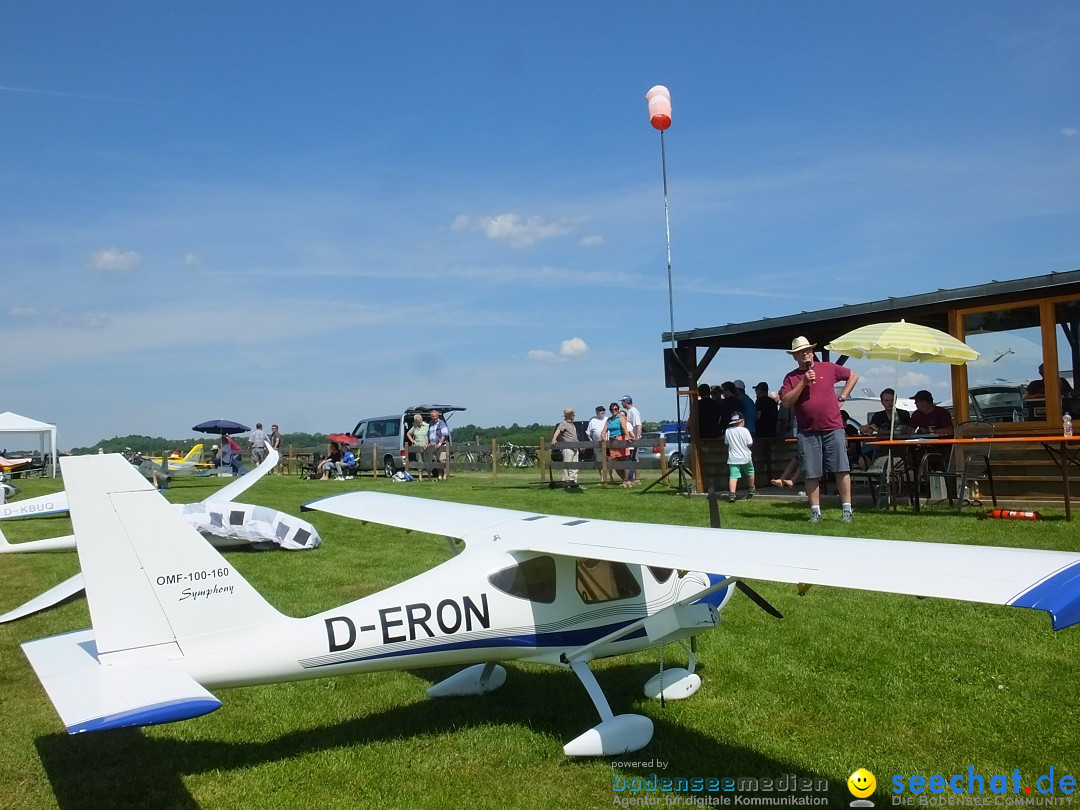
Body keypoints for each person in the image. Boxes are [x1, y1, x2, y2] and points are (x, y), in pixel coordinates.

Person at [779, 335, 859, 524]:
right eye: (800, 352)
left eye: (807, 351)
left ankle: (847, 510)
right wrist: (803, 382)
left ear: (812, 352)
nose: (805, 354)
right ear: (795, 357)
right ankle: (816, 512)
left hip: (833, 427)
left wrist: (843, 397)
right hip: (807, 430)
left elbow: (853, 375)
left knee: (841, 468)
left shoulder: (828, 367)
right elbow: (787, 402)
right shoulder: (791, 377)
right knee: (811, 472)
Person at [724, 412, 755, 502]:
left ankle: (732, 494)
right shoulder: (745, 430)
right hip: (745, 456)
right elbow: (750, 443)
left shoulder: (728, 431)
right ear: (742, 421)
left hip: (733, 457)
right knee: (750, 472)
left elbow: (726, 443)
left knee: (733, 476)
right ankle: (751, 489)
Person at [602, 401, 632, 487]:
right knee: (615, 463)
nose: (613, 411)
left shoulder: (621, 417)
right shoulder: (609, 420)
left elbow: (624, 427)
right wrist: (603, 436)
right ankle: (625, 480)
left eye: (615, 409)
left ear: (618, 410)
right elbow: (604, 430)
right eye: (612, 409)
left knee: (624, 461)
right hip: (612, 441)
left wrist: (628, 436)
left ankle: (627, 481)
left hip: (620, 439)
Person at [551, 408, 580, 487]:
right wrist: (554, 439)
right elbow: (558, 430)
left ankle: (574, 482)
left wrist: (579, 445)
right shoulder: (564, 423)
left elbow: (574, 437)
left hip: (575, 448)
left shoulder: (572, 424)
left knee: (574, 466)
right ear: (568, 415)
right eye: (572, 414)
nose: (574, 415)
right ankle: (566, 483)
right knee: (567, 466)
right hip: (567, 448)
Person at [620, 395, 643, 484]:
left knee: (634, 458)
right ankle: (633, 478)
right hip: (631, 438)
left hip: (634, 439)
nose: (622, 403)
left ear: (626, 402)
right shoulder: (629, 411)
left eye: (622, 402)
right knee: (632, 458)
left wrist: (636, 438)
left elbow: (638, 425)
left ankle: (637, 478)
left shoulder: (633, 411)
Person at [428, 409, 450, 480]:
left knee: (442, 460)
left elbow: (444, 435)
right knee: (437, 461)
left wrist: (440, 443)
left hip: (442, 444)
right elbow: (429, 435)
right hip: (434, 445)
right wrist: (428, 443)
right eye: (432, 416)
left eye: (435, 416)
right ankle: (439, 475)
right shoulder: (430, 424)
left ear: (437, 416)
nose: (434, 418)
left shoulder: (441, 423)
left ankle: (445, 475)